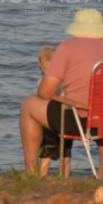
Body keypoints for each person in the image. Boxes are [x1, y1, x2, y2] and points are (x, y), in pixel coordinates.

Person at [19, 9, 103, 179]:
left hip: (82, 122)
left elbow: (45, 92)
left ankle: (31, 172)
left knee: (29, 104)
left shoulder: (68, 47)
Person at [36, 46, 72, 178]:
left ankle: (42, 174)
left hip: (51, 122)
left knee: (48, 151)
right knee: (66, 152)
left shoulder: (43, 82)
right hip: (68, 122)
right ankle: (65, 177)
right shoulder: (67, 82)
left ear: (41, 66)